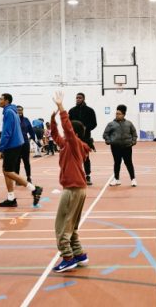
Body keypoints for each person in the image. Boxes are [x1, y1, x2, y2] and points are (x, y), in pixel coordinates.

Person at [49, 91, 92, 272]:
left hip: (73, 189)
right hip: (77, 188)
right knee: (72, 225)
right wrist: (53, 120)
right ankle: (79, 254)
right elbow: (56, 135)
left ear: (74, 134)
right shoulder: (66, 144)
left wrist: (61, 108)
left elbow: (66, 129)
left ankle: (68, 257)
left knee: (61, 226)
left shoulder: (75, 144)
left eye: (70, 132)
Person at [0, 93, 43, 208]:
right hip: (15, 144)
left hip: (12, 145)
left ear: (6, 101)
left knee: (8, 172)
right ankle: (11, 198)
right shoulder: (12, 111)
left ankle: (34, 188)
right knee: (5, 170)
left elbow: (7, 133)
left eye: (1, 99)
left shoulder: (8, 112)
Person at [103, 104, 137, 187]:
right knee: (117, 163)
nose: (117, 115)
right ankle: (116, 179)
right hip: (115, 147)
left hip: (127, 146)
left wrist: (133, 141)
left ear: (123, 114)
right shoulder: (111, 124)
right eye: (116, 113)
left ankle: (133, 179)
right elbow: (105, 134)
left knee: (128, 163)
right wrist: (108, 141)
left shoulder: (129, 123)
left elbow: (134, 133)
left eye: (119, 114)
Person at [69, 93, 97, 186]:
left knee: (86, 157)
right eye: (76, 98)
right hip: (74, 138)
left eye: (80, 98)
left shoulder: (90, 110)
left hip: (85, 138)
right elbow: (68, 123)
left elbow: (94, 123)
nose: (78, 99)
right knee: (74, 158)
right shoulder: (72, 111)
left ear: (83, 99)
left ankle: (87, 176)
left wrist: (86, 128)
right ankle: (76, 176)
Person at [15, 105, 37, 183]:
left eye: (21, 110)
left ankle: (29, 177)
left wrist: (33, 139)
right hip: (16, 144)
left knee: (26, 161)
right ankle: (17, 179)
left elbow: (31, 131)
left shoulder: (26, 120)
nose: (19, 111)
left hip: (25, 143)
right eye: (18, 110)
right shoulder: (14, 120)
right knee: (17, 162)